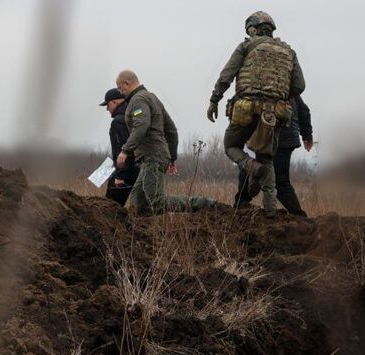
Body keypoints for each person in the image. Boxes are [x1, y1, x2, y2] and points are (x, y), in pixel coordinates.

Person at [207, 11, 305, 215]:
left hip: (246, 109)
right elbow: (299, 86)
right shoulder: (289, 51)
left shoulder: (246, 46)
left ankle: (250, 166)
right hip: (276, 113)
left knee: (231, 145)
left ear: (252, 28)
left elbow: (227, 75)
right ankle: (270, 209)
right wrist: (279, 96)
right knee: (267, 157)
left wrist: (214, 100)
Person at [115, 70, 215, 214]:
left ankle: (204, 204)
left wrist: (125, 150)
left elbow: (141, 125)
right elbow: (171, 129)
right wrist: (172, 157)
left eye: (120, 87)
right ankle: (138, 232)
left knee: (157, 202)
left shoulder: (138, 100)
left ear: (127, 83)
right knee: (137, 201)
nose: (120, 92)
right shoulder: (152, 97)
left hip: (152, 157)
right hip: (154, 157)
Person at [234, 95, 313, 216]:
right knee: (280, 180)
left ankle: (240, 206)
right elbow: (304, 110)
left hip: (264, 136)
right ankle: (241, 206)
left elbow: (238, 105)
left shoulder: (253, 82)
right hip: (285, 137)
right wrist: (307, 135)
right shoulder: (286, 82)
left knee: (253, 169)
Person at [100, 88, 139, 205]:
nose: (107, 109)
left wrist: (120, 175)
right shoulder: (135, 115)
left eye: (107, 105)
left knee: (110, 209)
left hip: (126, 172)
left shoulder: (118, 122)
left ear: (113, 103)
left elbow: (122, 150)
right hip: (140, 168)